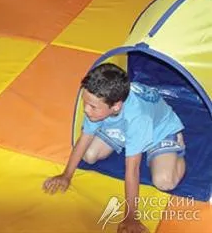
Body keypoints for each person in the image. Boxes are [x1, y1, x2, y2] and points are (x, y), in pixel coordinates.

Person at [43, 63, 186, 233]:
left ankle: (176, 143)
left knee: (165, 181)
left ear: (116, 106)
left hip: (158, 131)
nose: (86, 110)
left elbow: (132, 169)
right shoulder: (98, 102)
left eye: (92, 106)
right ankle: (128, 136)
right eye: (85, 102)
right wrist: (66, 175)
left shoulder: (137, 118)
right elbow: (84, 139)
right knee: (89, 155)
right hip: (122, 124)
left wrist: (130, 217)